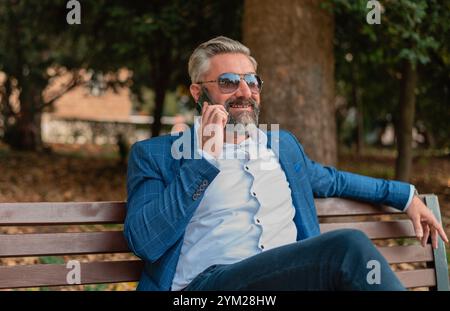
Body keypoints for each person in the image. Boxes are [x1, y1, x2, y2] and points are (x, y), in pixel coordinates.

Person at [124, 36, 448, 291]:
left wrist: (406, 196)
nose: (244, 91)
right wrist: (205, 158)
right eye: (228, 82)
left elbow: (332, 181)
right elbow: (146, 242)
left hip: (295, 280)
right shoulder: (158, 155)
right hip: (211, 286)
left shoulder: (280, 146)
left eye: (252, 82)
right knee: (347, 246)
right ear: (198, 93)